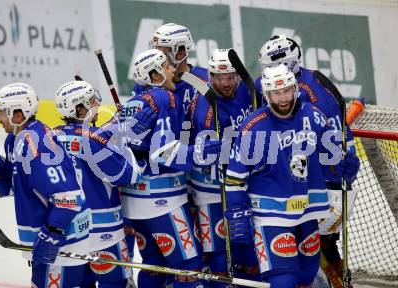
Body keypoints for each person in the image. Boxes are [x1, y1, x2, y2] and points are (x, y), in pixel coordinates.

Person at [225, 64, 359, 288]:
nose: (283, 98)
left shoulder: (314, 116)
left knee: (306, 276)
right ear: (267, 94)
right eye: (277, 93)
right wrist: (237, 210)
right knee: (283, 280)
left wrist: (343, 168)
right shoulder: (254, 127)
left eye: (287, 90)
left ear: (295, 88)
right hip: (270, 216)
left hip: (307, 213)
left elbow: (329, 160)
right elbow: (235, 177)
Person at [0, 83, 91, 287]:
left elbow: (69, 198)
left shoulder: (36, 145)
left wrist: (51, 235)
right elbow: (19, 188)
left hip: (64, 244)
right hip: (49, 241)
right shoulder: (15, 140)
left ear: (18, 114)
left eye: (2, 112)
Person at [255, 34, 360, 284]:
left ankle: (339, 283)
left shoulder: (314, 93)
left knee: (320, 243)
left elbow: (336, 142)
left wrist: (335, 178)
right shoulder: (278, 84)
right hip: (294, 181)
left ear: (289, 63)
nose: (266, 73)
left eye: (271, 66)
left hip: (320, 184)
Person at [120, 48, 223, 288]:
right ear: (155, 76)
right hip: (163, 202)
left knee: (153, 266)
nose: (173, 69)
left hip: (133, 202)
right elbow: (163, 151)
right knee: (189, 268)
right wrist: (203, 152)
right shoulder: (164, 98)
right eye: (167, 67)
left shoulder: (131, 103)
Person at [53, 80, 147, 287]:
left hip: (71, 229)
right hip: (104, 230)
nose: (96, 104)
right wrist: (133, 152)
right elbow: (128, 175)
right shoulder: (94, 138)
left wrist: (114, 126)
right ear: (79, 108)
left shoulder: (50, 137)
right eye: (91, 101)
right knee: (114, 284)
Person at [189, 48, 259, 287]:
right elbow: (204, 152)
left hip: (243, 183)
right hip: (211, 189)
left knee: (249, 249)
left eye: (230, 77)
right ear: (211, 77)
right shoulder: (206, 106)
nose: (226, 83)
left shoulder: (248, 92)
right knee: (219, 256)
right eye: (219, 78)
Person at [132, 23, 208, 117]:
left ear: (181, 53)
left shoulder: (206, 80)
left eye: (162, 53)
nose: (156, 57)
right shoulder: (147, 81)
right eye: (155, 50)